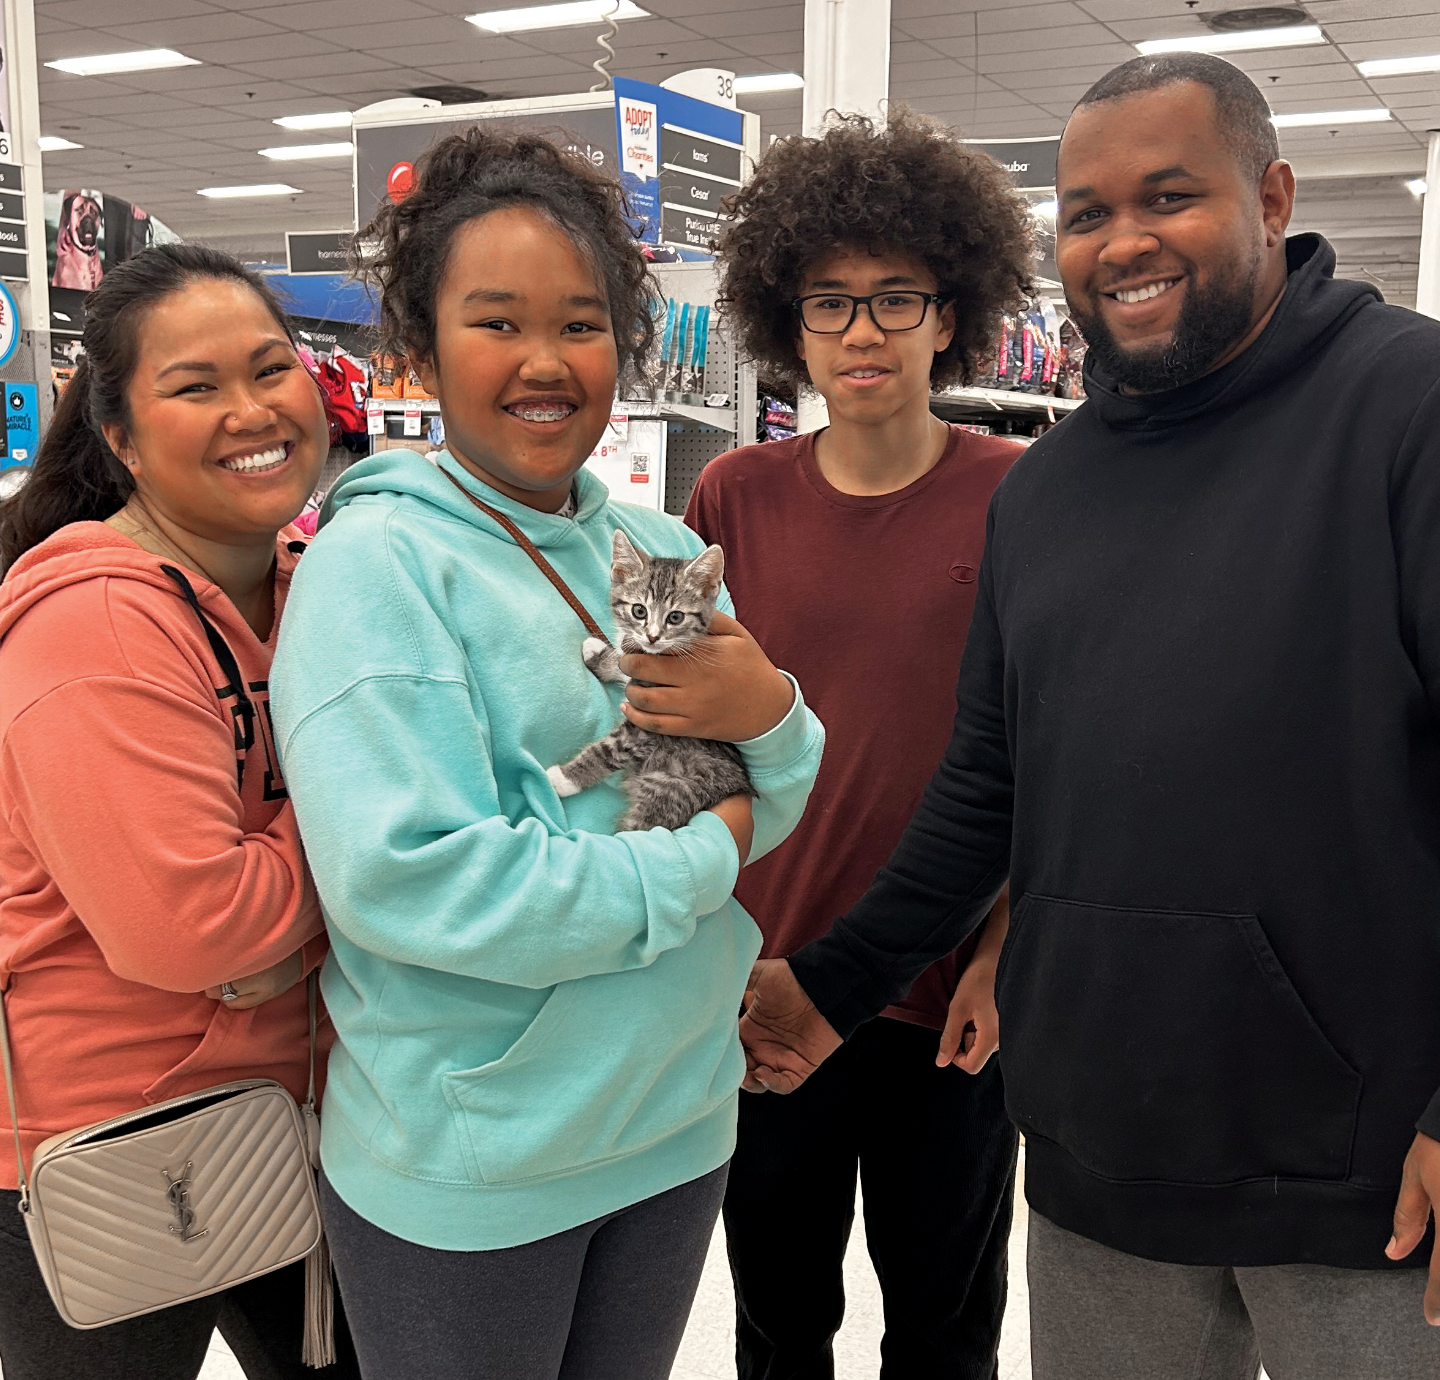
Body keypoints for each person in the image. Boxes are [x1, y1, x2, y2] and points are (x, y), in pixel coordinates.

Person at [738, 52, 1440, 1380]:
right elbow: (987, 788)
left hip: (1364, 1181)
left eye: (1168, 197)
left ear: (1272, 194)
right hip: (1096, 1167)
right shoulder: (1049, 494)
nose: (1123, 243)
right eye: (1085, 211)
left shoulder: (1405, 407)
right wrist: (833, 987)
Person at [268, 128, 824, 1380]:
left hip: (675, 1120)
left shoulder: (645, 538)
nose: (543, 362)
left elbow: (772, 792)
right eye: (494, 320)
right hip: (479, 1157)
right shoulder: (378, 564)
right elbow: (414, 878)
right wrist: (698, 866)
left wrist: (774, 709)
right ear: (418, 343)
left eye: (580, 323)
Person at [686, 110, 1031, 1379]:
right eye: (829, 303)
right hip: (767, 991)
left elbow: (1054, 759)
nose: (863, 332)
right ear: (791, 322)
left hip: (947, 1000)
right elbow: (699, 743)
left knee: (946, 1326)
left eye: (897, 299)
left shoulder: (1022, 496)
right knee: (779, 1322)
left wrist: (1008, 950)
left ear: (953, 313)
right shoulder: (733, 497)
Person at [0, 245, 359, 1379]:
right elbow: (190, 929)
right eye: (195, 386)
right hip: (113, 1140)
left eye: (270, 368)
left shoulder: (318, 586)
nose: (250, 410)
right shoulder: (94, 623)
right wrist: (368, 835)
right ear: (119, 436)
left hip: (302, 1108)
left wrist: (281, 920)